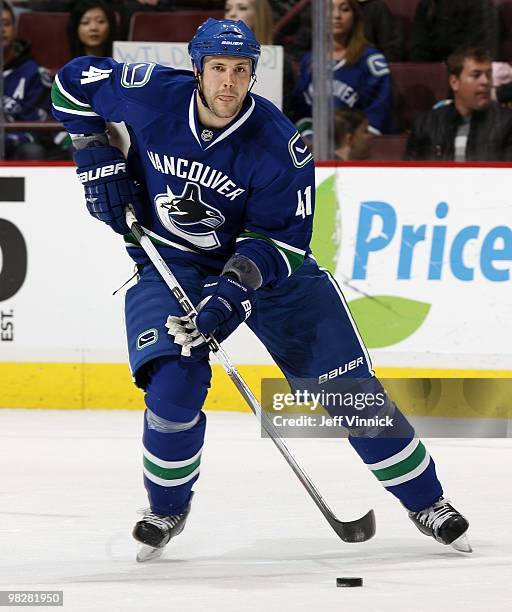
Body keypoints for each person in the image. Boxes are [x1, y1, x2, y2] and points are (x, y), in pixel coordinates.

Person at [52, 18, 470, 561]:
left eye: (242, 70)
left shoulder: (280, 145)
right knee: (173, 388)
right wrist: (93, 154)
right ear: (198, 68)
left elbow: (281, 244)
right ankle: (166, 507)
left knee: (350, 395)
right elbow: (71, 82)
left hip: (273, 278)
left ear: (255, 74)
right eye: (219, 69)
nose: (229, 82)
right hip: (174, 262)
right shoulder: (149, 92)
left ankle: (427, 501)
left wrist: (229, 295)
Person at [291, 0, 394, 137]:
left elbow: (380, 107)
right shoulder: (309, 61)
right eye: (329, 9)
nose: (336, 15)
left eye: (345, 9)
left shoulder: (371, 60)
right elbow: (301, 108)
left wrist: (357, 139)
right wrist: (309, 136)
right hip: (317, 145)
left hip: (358, 146)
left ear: (355, 16)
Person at [404, 46, 512, 161]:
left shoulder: (507, 123)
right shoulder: (426, 125)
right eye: (476, 75)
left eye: (488, 75)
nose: (485, 81)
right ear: (454, 82)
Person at [224, 0, 295, 119]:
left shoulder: (280, 62)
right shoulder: (211, 58)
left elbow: (288, 110)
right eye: (228, 9)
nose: (232, 14)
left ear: (259, 15)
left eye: (242, 8)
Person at [2, 0, 52, 160]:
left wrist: (6, 140)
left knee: (33, 151)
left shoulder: (33, 73)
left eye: (5, 23)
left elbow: (36, 129)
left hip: (17, 147)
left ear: (15, 29)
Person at [291, 0, 403, 63]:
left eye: (345, 9)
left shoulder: (375, 8)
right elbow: (298, 52)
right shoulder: (317, 8)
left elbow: (392, 50)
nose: (337, 15)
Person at [410, 0, 498, 62]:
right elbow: (419, 53)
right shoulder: (426, 5)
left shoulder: (481, 4)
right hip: (434, 75)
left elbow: (479, 53)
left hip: (467, 74)